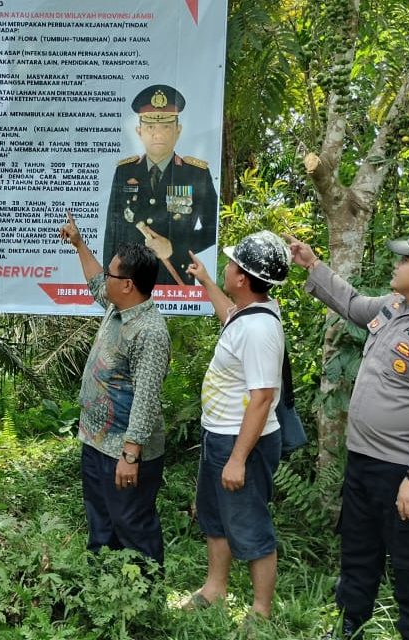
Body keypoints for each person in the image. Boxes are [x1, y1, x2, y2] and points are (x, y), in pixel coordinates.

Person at [287, 227, 409, 640]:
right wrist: (313, 265)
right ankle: (348, 630)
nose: (396, 264)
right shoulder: (396, 306)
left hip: (406, 475)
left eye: (404, 259)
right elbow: (355, 305)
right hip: (363, 465)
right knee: (358, 558)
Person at [176, 231, 291, 619]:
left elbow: (261, 398)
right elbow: (229, 316)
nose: (227, 269)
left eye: (230, 266)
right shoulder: (249, 313)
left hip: (242, 442)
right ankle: (215, 588)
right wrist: (207, 281)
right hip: (220, 434)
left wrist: (239, 458)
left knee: (249, 523)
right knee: (214, 516)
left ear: (242, 278)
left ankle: (260, 612)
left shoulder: (260, 331)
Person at [59, 211, 171, 567]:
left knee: (131, 525)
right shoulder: (116, 307)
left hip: (123, 451)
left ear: (128, 284)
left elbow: (147, 398)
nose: (105, 279)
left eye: (112, 274)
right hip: (95, 441)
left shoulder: (150, 331)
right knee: (101, 523)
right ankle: (101, 591)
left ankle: (146, 598)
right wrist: (78, 244)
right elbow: (95, 282)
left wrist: (130, 456)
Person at [102, 84, 219, 286]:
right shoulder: (125, 172)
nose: (158, 134)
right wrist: (109, 279)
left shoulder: (196, 173)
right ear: (139, 131)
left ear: (178, 130)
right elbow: (112, 231)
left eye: (166, 127)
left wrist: (175, 247)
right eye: (150, 127)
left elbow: (212, 230)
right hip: (132, 280)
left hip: (174, 279)